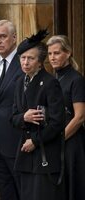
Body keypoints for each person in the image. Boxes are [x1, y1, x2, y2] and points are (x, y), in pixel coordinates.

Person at [11, 30, 65, 200]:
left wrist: (35, 141)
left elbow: (58, 122)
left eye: (31, 58)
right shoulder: (20, 82)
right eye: (23, 58)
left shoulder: (50, 83)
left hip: (44, 154)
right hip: (25, 157)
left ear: (40, 62)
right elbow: (13, 116)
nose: (25, 62)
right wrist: (23, 117)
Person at [0, 20, 23, 200]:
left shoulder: (24, 62)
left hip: (18, 140)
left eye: (3, 36)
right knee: (5, 193)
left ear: (14, 38)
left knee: (24, 191)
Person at [47, 35, 85, 200]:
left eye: (56, 53)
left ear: (68, 53)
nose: (52, 58)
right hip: (57, 142)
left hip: (73, 144)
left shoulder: (76, 79)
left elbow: (80, 117)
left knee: (73, 188)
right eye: (49, 54)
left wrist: (60, 139)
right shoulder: (53, 79)